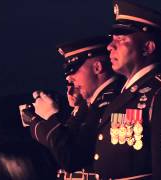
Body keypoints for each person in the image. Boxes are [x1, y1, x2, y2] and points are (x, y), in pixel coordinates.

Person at [90, 0, 161, 179]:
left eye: (121, 39)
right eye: (112, 40)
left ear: (148, 47)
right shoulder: (126, 94)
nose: (110, 46)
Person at [24, 36, 124, 179]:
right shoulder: (88, 104)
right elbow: (65, 140)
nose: (70, 79)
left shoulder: (111, 101)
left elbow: (71, 158)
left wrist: (49, 117)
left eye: (74, 70)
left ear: (97, 67)